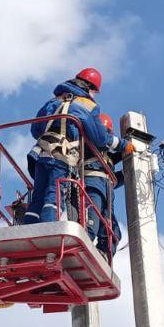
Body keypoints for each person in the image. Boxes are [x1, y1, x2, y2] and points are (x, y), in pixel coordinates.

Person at [23, 68, 121, 224]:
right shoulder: (87, 106)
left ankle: (27, 228)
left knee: (38, 197)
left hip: (41, 155)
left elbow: (36, 130)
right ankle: (49, 228)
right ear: (90, 88)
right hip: (62, 157)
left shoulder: (54, 101)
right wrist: (123, 145)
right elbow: (99, 138)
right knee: (54, 196)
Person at [83, 113, 124, 254]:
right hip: (91, 188)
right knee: (90, 225)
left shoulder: (107, 156)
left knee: (113, 232)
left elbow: (108, 179)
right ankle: (81, 251)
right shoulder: (86, 146)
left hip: (105, 193)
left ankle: (104, 255)